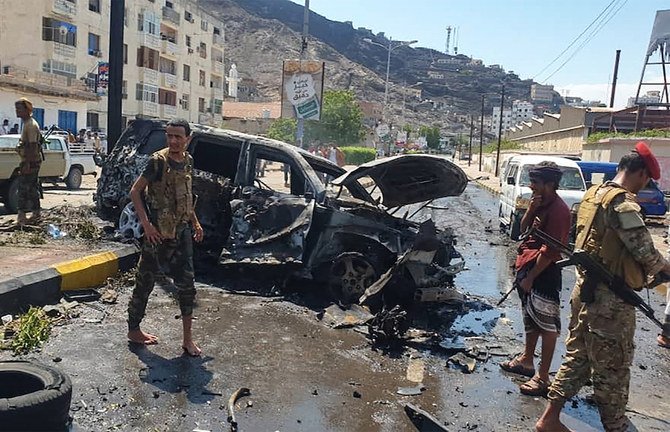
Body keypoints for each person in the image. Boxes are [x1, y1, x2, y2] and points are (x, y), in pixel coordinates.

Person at [536, 142, 670, 432]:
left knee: (579, 357)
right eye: (646, 180)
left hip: (584, 291)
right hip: (610, 301)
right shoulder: (623, 203)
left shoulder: (592, 195)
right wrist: (666, 269)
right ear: (640, 173)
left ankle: (549, 419)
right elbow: (647, 254)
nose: (644, 186)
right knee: (614, 366)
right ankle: (616, 426)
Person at [127, 118, 204, 357]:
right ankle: (134, 330)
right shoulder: (157, 162)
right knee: (145, 282)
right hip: (157, 236)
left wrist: (195, 222)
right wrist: (147, 225)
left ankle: (188, 340)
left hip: (181, 234)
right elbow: (135, 191)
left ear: (187, 139)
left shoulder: (188, 162)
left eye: (178, 136)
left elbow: (186, 197)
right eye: (169, 136)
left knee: (187, 286)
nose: (173, 141)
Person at [500, 162, 571, 396]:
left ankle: (542, 377)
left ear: (550, 185)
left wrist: (530, 277)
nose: (531, 186)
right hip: (527, 264)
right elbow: (522, 230)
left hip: (544, 272)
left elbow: (551, 251)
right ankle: (527, 360)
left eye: (536, 183)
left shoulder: (560, 211)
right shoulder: (539, 203)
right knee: (530, 318)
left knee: (547, 325)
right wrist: (530, 210)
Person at [14, 98, 42, 225]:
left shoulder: (30, 125)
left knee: (24, 189)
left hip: (30, 161)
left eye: (19, 108)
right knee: (31, 189)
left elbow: (32, 146)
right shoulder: (27, 123)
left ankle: (22, 217)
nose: (17, 111)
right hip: (31, 161)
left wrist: (27, 164)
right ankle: (35, 214)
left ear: (27, 109)